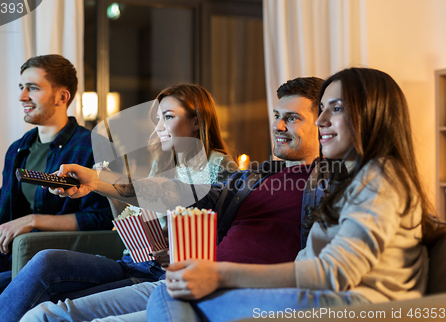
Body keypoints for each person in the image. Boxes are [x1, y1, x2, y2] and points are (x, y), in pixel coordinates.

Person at [142, 67, 446, 322]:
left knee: (168, 292)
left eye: (336, 108)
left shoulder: (380, 176)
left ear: (371, 115)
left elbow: (334, 272)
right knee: (170, 292)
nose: (320, 121)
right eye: (322, 109)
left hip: (347, 305)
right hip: (324, 300)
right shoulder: (352, 176)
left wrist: (220, 274)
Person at [19, 77, 324, 322]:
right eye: (277, 116)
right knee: (44, 314)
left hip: (214, 287)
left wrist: (211, 271)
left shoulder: (329, 185)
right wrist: (99, 182)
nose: (278, 126)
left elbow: (318, 267)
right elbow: (181, 198)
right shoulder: (256, 176)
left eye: (292, 118)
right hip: (178, 277)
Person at [0, 84, 238, 322]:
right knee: (45, 260)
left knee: (53, 309)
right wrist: (108, 191)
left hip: (158, 273)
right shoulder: (162, 165)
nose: (158, 126)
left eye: (168, 117)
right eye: (158, 118)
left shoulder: (219, 166)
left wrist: (180, 250)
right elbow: (132, 217)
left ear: (196, 120)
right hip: (132, 261)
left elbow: (228, 232)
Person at [0, 54, 113, 321]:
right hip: (4, 257)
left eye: (32, 88)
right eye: (21, 87)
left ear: (62, 96)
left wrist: (32, 221)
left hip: (45, 264)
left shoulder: (92, 146)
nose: (22, 96)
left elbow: (100, 219)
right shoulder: (19, 148)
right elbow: (0, 208)